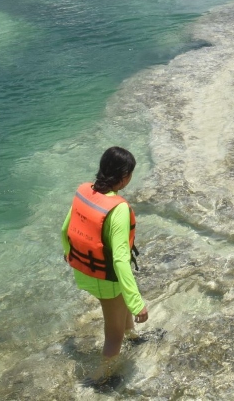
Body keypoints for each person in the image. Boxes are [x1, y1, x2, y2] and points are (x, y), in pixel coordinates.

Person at [61, 146, 148, 375]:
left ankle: (133, 336)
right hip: (105, 279)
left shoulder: (85, 191)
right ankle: (103, 377)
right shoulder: (118, 210)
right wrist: (137, 303)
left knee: (121, 312)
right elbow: (120, 261)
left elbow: (65, 229)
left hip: (84, 269)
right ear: (124, 177)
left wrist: (68, 253)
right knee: (113, 332)